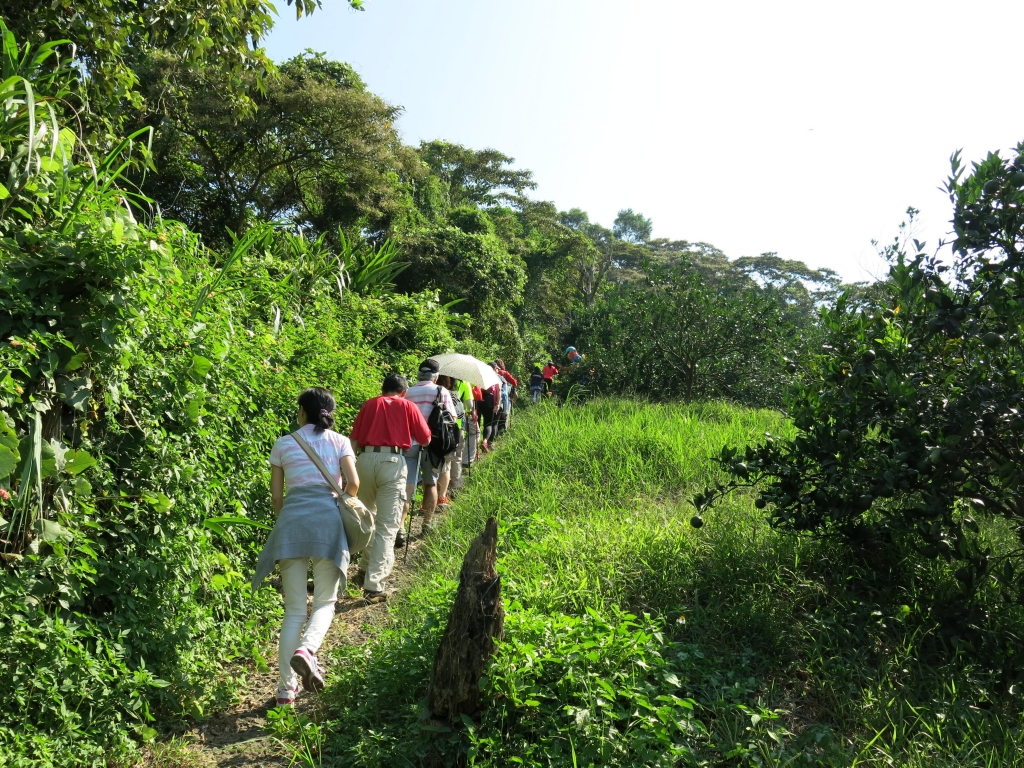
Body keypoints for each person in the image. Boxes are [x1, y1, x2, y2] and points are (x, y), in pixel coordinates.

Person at [252, 387, 359, 707]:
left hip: (291, 525)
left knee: (294, 610)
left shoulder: (284, 444)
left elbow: (276, 497)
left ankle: (286, 690)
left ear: (301, 412)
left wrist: (289, 520)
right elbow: (353, 484)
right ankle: (308, 650)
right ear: (329, 412)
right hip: (328, 522)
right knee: (325, 602)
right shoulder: (340, 441)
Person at [348, 373, 431, 602]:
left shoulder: (369, 404)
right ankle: (374, 585)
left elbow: (353, 439)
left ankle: (364, 568)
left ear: (383, 388)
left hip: (364, 460)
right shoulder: (408, 406)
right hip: (392, 463)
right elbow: (425, 439)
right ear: (403, 392)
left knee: (367, 517)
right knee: (387, 525)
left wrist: (348, 467)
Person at [403, 359, 459, 532]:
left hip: (409, 444)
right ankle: (427, 524)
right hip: (432, 445)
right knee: (430, 484)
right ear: (435, 377)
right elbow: (452, 418)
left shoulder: (408, 391)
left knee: (406, 485)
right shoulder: (441, 391)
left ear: (419, 375)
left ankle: (400, 528)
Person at [435, 375, 465, 507]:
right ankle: (450, 490)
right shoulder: (452, 394)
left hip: (434, 433)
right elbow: (457, 414)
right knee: (451, 462)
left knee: (433, 466)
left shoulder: (435, 392)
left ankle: (432, 495)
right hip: (453, 432)